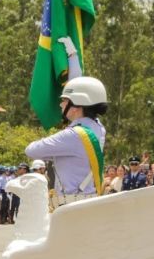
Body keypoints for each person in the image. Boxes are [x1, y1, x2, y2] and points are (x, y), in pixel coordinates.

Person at [24, 76, 108, 205]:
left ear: (77, 105)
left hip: (71, 205)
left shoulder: (73, 135)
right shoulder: (98, 128)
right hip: (89, 200)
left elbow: (31, 150)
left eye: (65, 100)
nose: (61, 104)